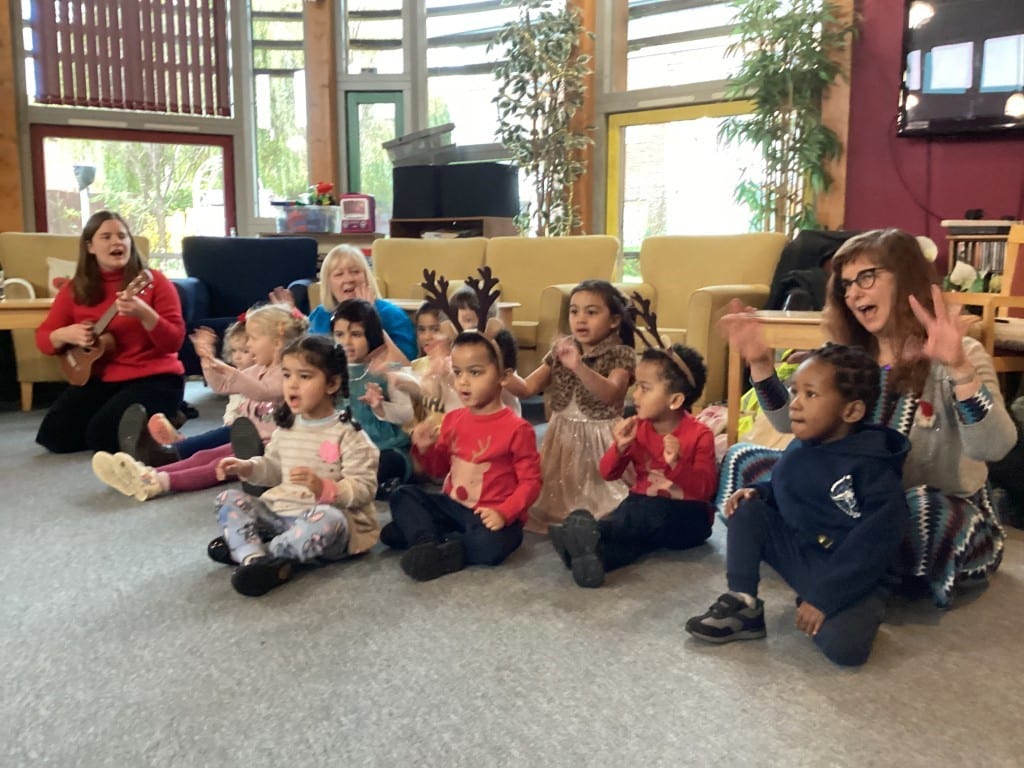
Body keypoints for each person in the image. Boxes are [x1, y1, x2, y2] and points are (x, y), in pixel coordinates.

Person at [720, 228, 1016, 607]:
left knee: (916, 515)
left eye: (867, 277)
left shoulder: (964, 353)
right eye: (846, 284)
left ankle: (829, 562)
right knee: (742, 462)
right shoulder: (844, 355)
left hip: (924, 504)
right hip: (847, 497)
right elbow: (792, 424)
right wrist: (761, 365)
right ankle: (848, 566)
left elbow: (995, 446)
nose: (854, 293)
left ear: (905, 278)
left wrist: (958, 368)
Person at [687, 344, 910, 667]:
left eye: (811, 394)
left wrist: (824, 598)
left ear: (851, 412)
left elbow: (873, 546)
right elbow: (788, 490)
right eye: (794, 391)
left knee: (845, 648)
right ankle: (743, 602)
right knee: (748, 508)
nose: (795, 403)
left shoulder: (873, 469)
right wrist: (759, 493)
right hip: (806, 554)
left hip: (853, 572)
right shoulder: (800, 448)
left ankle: (844, 606)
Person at [210, 335, 381, 596]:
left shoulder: (349, 434)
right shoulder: (287, 428)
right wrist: (247, 467)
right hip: (281, 513)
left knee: (329, 519)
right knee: (228, 498)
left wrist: (325, 488)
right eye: (287, 375)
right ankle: (252, 558)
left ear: (332, 384)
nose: (292, 384)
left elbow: (364, 488)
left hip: (326, 521)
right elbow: (272, 468)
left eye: (304, 376)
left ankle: (258, 550)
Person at [92, 305, 307, 500]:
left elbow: (263, 392)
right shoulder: (258, 369)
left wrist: (231, 372)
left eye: (253, 339)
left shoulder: (287, 372)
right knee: (204, 455)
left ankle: (161, 482)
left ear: (276, 342)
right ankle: (148, 474)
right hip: (248, 439)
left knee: (216, 465)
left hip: (270, 448)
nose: (249, 345)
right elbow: (221, 386)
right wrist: (207, 361)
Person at [551, 344, 718, 588]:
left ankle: (585, 536)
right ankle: (590, 558)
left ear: (675, 400)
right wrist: (619, 448)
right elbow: (608, 473)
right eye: (636, 387)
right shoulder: (638, 427)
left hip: (689, 517)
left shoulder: (700, 434)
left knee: (642, 515)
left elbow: (705, 489)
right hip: (642, 505)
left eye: (644, 388)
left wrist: (677, 463)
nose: (635, 396)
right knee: (632, 525)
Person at [383, 330, 542, 581]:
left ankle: (437, 545)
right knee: (402, 495)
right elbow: (438, 470)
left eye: (475, 372)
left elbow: (531, 483)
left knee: (494, 544)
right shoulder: (453, 420)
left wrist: (504, 512)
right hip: (454, 507)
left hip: (490, 516)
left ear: (503, 377)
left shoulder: (518, 428)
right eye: (457, 372)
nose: (463, 382)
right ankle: (428, 543)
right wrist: (425, 449)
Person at [34, 211, 185, 454]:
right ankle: (151, 423)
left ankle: (162, 419)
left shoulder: (155, 282)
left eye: (122, 236)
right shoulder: (74, 289)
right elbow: (43, 339)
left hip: (156, 378)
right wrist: (65, 334)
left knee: (102, 437)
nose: (117, 242)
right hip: (101, 378)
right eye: (106, 237)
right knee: (54, 437)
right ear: (90, 247)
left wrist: (145, 314)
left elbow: (174, 341)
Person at [505, 279, 636, 532]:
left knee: (607, 505)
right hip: (562, 434)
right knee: (551, 500)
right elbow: (528, 388)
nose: (580, 319)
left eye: (591, 312)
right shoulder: (562, 348)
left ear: (614, 320)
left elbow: (612, 394)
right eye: (574, 311)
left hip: (600, 438)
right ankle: (571, 529)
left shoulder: (620, 353)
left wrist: (578, 366)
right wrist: (502, 374)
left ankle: (591, 529)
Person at [332, 298, 416, 498]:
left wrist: (380, 407)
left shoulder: (389, 368)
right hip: (344, 451)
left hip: (385, 448)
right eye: (339, 334)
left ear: (370, 335)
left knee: (385, 463)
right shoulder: (330, 373)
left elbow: (407, 414)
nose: (346, 342)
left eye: (356, 334)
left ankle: (369, 486)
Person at [305, 244, 417, 361]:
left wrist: (370, 317)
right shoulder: (320, 315)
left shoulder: (393, 315)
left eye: (355, 272)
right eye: (339, 274)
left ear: (366, 277)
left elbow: (405, 364)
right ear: (328, 284)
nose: (349, 279)